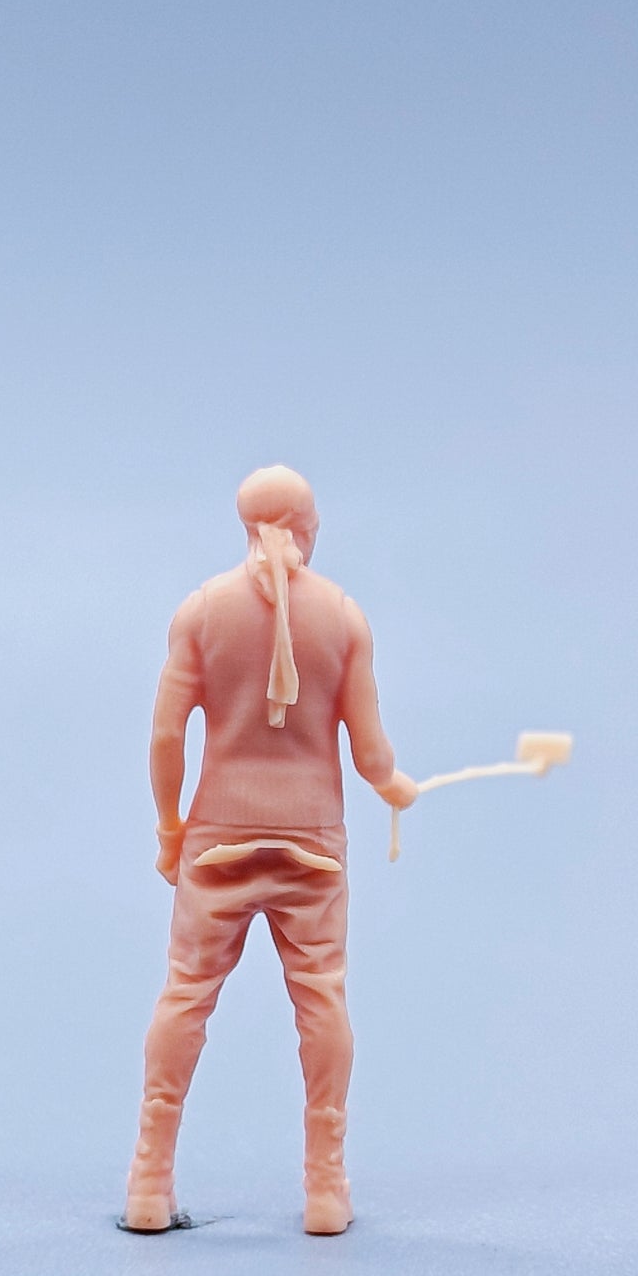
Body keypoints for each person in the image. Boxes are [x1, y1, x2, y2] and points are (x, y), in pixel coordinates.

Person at [125, 465, 418, 1235]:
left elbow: (165, 735)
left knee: (186, 994)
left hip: (216, 838)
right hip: (311, 842)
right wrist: (395, 786)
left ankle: (149, 1181)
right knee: (321, 999)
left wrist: (169, 829)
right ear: (304, 526)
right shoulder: (344, 618)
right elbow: (370, 754)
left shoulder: (201, 612)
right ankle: (326, 1188)